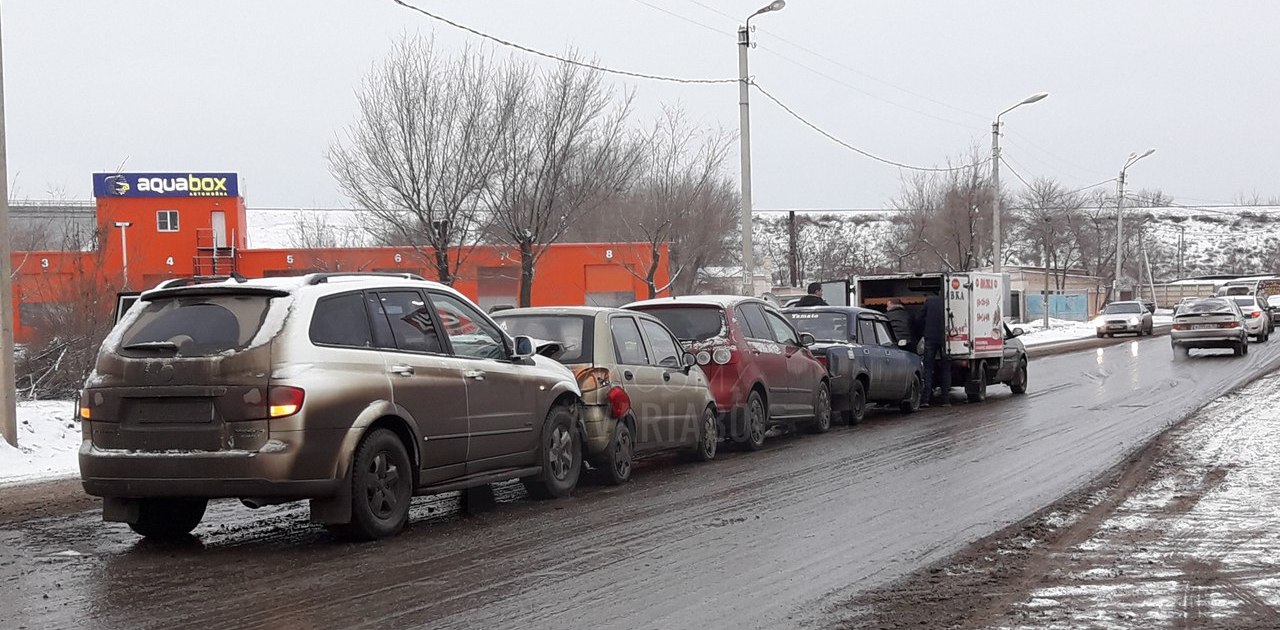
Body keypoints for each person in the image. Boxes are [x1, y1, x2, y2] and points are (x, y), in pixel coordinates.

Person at [919, 294, 951, 407]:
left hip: (930, 338)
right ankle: (946, 400)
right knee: (946, 368)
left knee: (928, 368)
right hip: (945, 339)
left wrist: (921, 333)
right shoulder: (949, 301)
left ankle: (926, 399)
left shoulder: (929, 302)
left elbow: (920, 318)